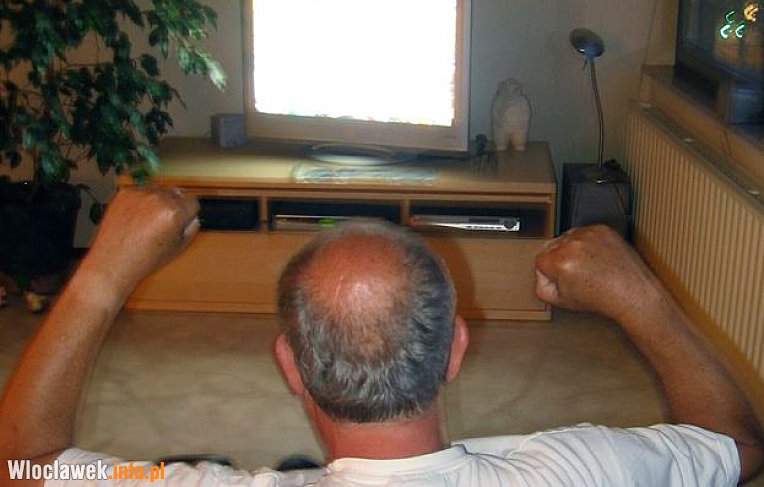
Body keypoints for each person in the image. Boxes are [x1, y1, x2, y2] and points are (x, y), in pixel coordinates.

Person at [0, 186, 761, 486]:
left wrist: (102, 273)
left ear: (290, 367)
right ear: (455, 348)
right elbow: (736, 444)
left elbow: (23, 461)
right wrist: (640, 300)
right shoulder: (581, 468)